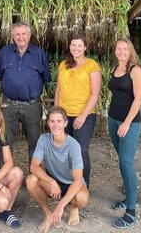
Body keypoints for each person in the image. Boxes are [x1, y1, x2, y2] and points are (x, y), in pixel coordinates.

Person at [0, 21, 51, 162]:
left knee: (34, 142)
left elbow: (46, 78)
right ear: (13, 36)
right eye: (17, 34)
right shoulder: (4, 53)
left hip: (32, 106)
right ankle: (6, 172)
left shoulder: (39, 54)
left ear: (29, 36)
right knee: (5, 142)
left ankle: (34, 173)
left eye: (24, 33)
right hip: (8, 105)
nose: (21, 37)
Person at [26, 106, 89, 233]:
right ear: (48, 123)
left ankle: (73, 207)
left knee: (82, 198)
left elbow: (78, 181)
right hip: (54, 184)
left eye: (59, 121)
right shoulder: (44, 139)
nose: (55, 125)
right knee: (30, 180)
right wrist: (52, 181)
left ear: (65, 123)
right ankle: (48, 214)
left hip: (72, 184)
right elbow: (33, 166)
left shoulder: (73, 145)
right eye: (52, 121)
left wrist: (60, 206)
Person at [54, 34, 102, 188]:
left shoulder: (91, 65)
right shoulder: (63, 65)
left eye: (80, 45)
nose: (76, 48)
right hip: (64, 115)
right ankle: (66, 185)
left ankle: (82, 187)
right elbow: (59, 89)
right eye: (73, 45)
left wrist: (82, 116)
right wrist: (56, 112)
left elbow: (95, 93)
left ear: (85, 47)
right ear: (69, 47)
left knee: (81, 151)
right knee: (64, 150)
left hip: (84, 115)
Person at [108, 38, 141, 229]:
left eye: (125, 49)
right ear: (115, 51)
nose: (121, 52)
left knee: (126, 162)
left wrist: (127, 123)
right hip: (113, 119)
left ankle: (131, 212)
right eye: (118, 49)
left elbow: (138, 99)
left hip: (129, 123)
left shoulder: (135, 70)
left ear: (130, 51)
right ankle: (129, 198)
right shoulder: (115, 69)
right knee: (122, 160)